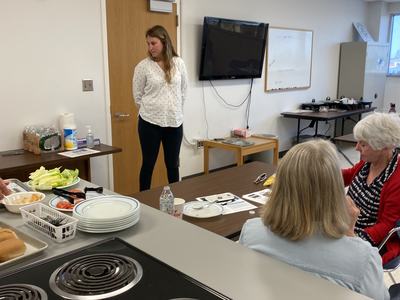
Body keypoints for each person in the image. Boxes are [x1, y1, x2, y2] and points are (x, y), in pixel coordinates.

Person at [239, 139, 389, 300]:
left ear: (279, 185)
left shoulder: (251, 231)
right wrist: (350, 234)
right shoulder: (363, 258)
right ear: (335, 188)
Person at [133, 25, 188, 191]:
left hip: (174, 122)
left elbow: (184, 90)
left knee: (173, 165)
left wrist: (174, 109)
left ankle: (175, 203)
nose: (150, 48)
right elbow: (137, 96)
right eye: (148, 44)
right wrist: (154, 109)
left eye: (153, 43)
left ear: (164, 42)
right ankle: (144, 202)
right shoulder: (143, 66)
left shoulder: (178, 63)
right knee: (148, 164)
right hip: (150, 122)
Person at [342, 112, 400, 265]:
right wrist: (317, 172)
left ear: (383, 146)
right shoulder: (369, 162)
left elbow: (386, 226)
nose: (356, 148)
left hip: (372, 242)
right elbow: (347, 175)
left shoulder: (396, 179)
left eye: (363, 144)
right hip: (346, 227)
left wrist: (351, 238)